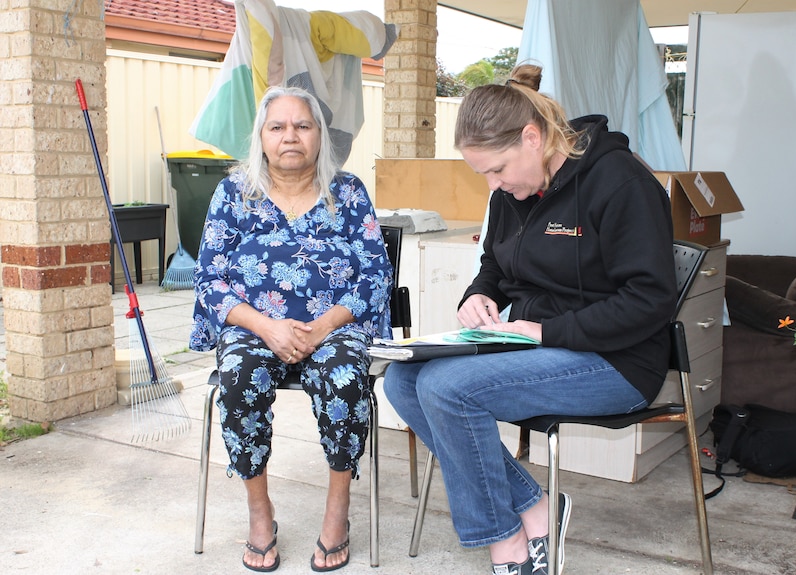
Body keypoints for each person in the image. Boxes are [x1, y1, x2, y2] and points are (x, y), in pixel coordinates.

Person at [383, 64, 677, 575]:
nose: (494, 185)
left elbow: (650, 300)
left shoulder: (621, 182)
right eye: (485, 176)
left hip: (617, 360)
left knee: (447, 389)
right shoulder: (511, 194)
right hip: (538, 345)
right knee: (404, 379)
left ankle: (508, 547)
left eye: (497, 170)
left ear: (532, 137)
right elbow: (496, 264)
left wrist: (547, 331)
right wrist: (477, 296)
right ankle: (534, 505)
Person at [190, 85, 393, 573]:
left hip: (334, 325)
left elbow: (374, 275)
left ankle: (337, 510)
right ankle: (260, 513)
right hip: (255, 327)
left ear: (320, 136)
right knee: (238, 377)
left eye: (303, 125)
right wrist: (267, 327)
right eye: (277, 126)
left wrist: (323, 327)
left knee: (346, 375)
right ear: (261, 136)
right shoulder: (233, 193)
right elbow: (209, 280)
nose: (290, 136)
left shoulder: (348, 193)